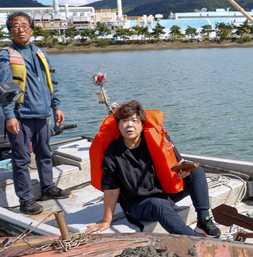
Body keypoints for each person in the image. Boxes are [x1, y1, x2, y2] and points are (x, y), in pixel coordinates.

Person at [86, 100, 222, 238]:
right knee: (159, 204)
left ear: (142, 124)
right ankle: (194, 239)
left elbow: (179, 163)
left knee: (196, 171)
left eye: (134, 120)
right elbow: (111, 191)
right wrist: (106, 221)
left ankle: (203, 221)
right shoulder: (112, 154)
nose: (129, 125)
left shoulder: (157, 139)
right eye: (124, 121)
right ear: (118, 126)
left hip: (164, 191)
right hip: (138, 204)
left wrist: (181, 174)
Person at [0, 11, 69, 214]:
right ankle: (26, 199)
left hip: (43, 115)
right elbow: (4, 89)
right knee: (21, 159)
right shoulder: (5, 56)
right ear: (10, 31)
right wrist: (9, 116)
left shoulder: (40, 53)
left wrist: (56, 106)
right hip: (20, 116)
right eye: (15, 26)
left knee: (44, 154)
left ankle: (48, 188)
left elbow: (52, 83)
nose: (20, 29)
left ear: (31, 30)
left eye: (24, 25)